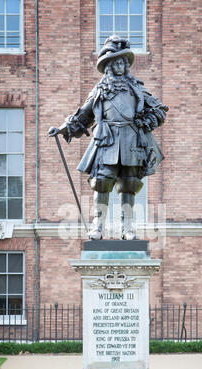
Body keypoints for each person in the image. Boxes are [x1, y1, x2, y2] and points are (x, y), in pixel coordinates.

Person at [49, 35, 168, 240]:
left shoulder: (136, 88)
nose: (121, 65)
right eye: (116, 62)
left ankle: (128, 228)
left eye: (123, 62)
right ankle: (98, 226)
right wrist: (62, 129)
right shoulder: (99, 90)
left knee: (129, 184)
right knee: (102, 182)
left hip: (132, 141)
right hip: (107, 140)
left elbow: (158, 110)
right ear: (109, 66)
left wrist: (145, 121)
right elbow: (83, 115)